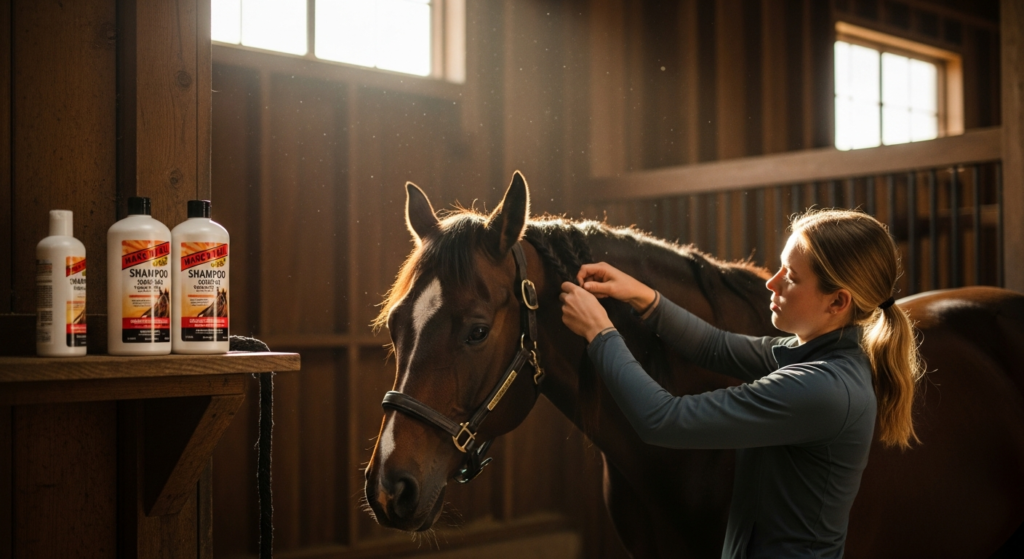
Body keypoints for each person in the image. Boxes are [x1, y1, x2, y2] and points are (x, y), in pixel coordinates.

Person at [559, 209, 923, 559]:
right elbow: (714, 346)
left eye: (791, 277)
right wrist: (641, 294)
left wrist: (600, 332)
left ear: (837, 301)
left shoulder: (821, 388)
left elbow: (663, 420)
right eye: (780, 266)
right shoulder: (817, 353)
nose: (772, 282)